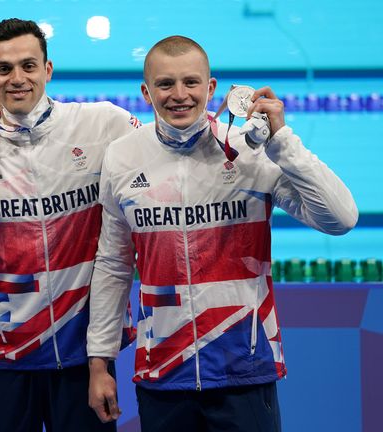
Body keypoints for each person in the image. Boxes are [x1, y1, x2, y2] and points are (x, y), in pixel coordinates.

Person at [87, 35, 358, 432]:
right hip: (162, 370)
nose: (179, 95)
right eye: (165, 84)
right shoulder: (123, 156)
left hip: (244, 370)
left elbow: (341, 218)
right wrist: (100, 362)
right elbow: (113, 265)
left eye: (191, 82)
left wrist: (283, 142)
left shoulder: (251, 150)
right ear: (146, 92)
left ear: (210, 88)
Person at [0, 18, 141, 432]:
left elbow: (168, 147)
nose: (17, 78)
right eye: (4, 69)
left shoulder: (102, 125)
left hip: (82, 356)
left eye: (28, 66)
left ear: (48, 70)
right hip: (4, 356)